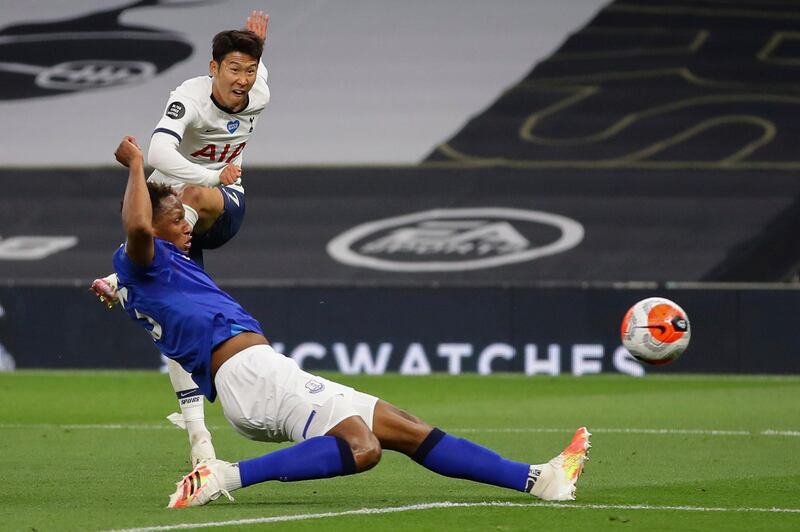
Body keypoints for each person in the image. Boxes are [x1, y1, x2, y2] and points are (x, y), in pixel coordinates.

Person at [109, 136, 591, 509]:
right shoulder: (144, 254)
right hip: (250, 377)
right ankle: (223, 477)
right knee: (362, 448)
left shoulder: (156, 264)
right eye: (176, 217)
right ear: (151, 226)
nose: (188, 222)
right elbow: (134, 230)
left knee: (404, 428)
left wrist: (112, 282)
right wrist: (135, 165)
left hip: (261, 373)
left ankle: (539, 479)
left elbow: (147, 272)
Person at [92, 10, 271, 467]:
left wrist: (213, 179)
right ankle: (199, 442)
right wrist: (211, 171)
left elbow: (256, 65)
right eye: (233, 69)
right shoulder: (187, 98)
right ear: (212, 69)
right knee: (174, 315)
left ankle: (121, 274)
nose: (243, 80)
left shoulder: (258, 92)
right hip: (178, 216)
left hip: (219, 207)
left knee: (194, 193)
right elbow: (157, 151)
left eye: (249, 70)